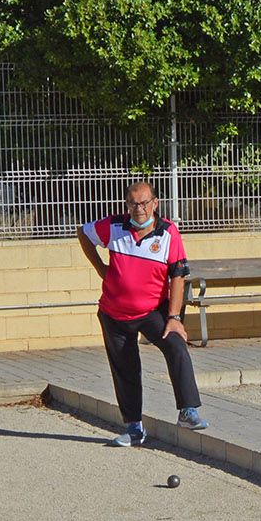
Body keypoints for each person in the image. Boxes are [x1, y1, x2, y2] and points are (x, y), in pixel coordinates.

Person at [77, 180, 207, 446]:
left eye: (145, 203)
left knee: (176, 345)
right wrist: (101, 268)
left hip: (152, 311)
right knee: (125, 368)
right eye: (134, 203)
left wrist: (173, 317)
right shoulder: (114, 226)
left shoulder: (169, 232)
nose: (139, 209)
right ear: (127, 205)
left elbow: (178, 275)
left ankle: (188, 410)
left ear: (155, 203)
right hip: (114, 313)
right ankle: (134, 428)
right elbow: (84, 234)